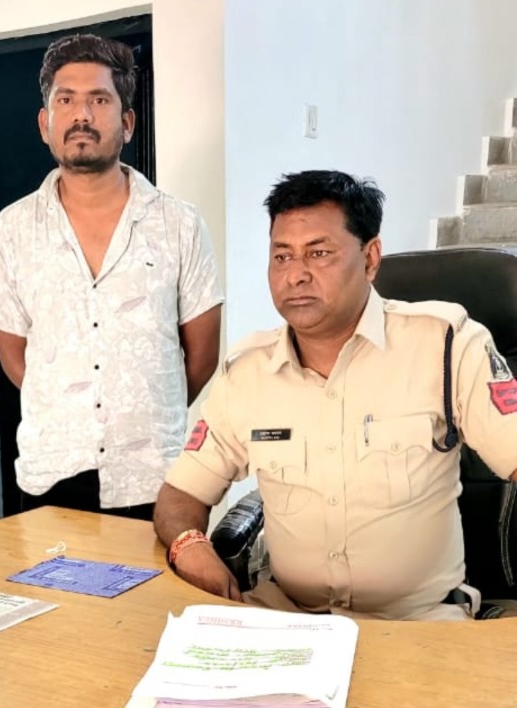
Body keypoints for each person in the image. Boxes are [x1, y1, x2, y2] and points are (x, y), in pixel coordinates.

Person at [154, 170, 517, 621]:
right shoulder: (247, 371)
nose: (296, 275)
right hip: (289, 620)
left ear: (370, 259)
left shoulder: (445, 344)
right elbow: (180, 494)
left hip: (419, 625)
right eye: (281, 256)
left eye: (319, 253)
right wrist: (189, 546)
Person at [0, 34, 223, 520]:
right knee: (54, 575)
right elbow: (15, 355)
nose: (81, 115)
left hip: (154, 474)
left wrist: (143, 408)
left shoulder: (178, 224)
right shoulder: (13, 229)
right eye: (65, 100)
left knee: (161, 575)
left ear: (127, 122)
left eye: (99, 100)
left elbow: (200, 356)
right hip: (53, 470)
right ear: (45, 123)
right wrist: (68, 404)